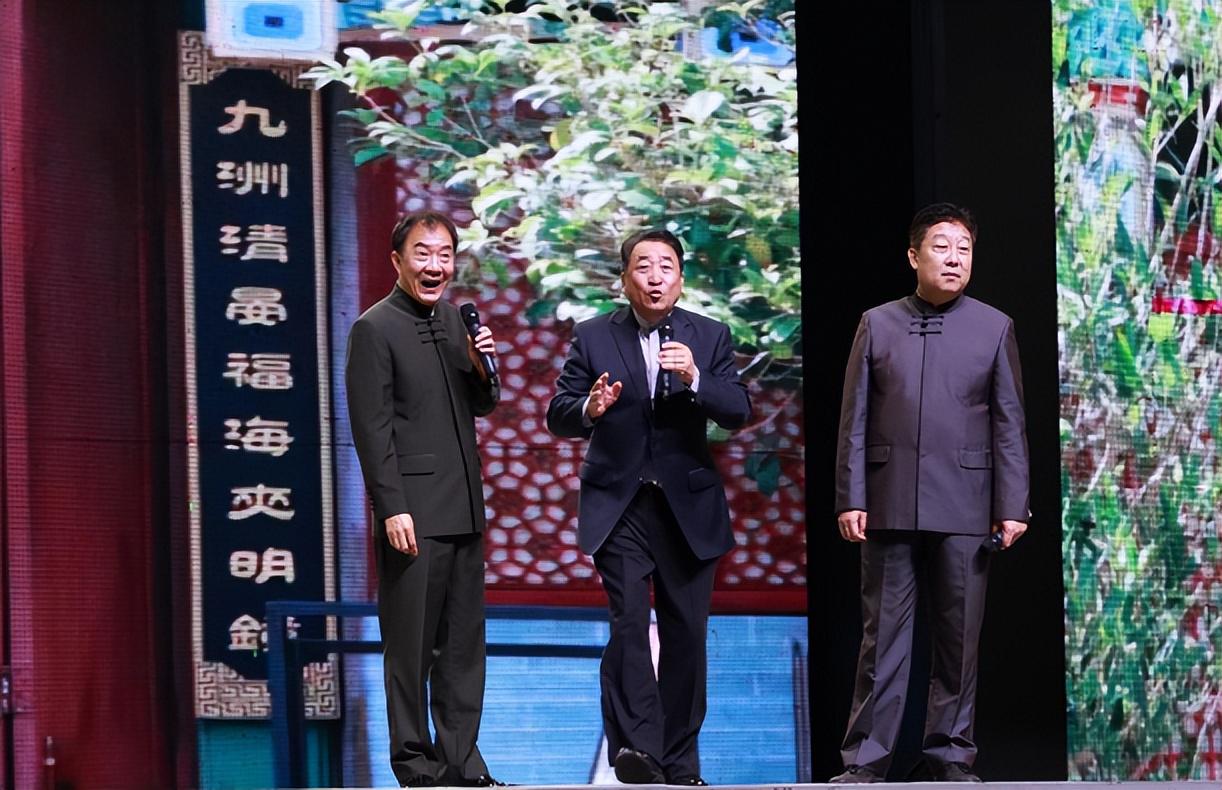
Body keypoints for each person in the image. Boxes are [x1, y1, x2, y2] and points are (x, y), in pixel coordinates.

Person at [831, 203, 1030, 783]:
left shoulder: (994, 326)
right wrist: (851, 495)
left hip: (967, 502)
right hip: (888, 499)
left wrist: (1012, 504)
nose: (954, 258)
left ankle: (950, 757)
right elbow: (854, 417)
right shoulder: (878, 322)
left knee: (958, 641)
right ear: (914, 256)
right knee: (882, 641)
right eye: (941, 247)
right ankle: (866, 762)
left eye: (964, 249)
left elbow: (1009, 423)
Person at [547, 228, 751, 786]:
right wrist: (589, 408)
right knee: (630, 624)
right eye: (643, 266)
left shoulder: (709, 336)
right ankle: (639, 750)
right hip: (620, 504)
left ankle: (679, 763)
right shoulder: (593, 336)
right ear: (624, 279)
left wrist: (696, 378)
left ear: (681, 280)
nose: (655, 277)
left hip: (688, 508)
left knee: (686, 633)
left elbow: (737, 410)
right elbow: (559, 413)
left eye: (666, 267)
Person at [346, 210, 502, 788]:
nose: (435, 265)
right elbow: (372, 429)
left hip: (463, 506)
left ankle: (462, 761)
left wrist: (482, 365)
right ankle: (415, 765)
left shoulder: (455, 322)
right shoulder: (374, 328)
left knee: (463, 647)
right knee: (411, 648)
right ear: (397, 261)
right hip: (413, 512)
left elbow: (480, 405)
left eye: (444, 255)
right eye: (422, 253)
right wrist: (391, 506)